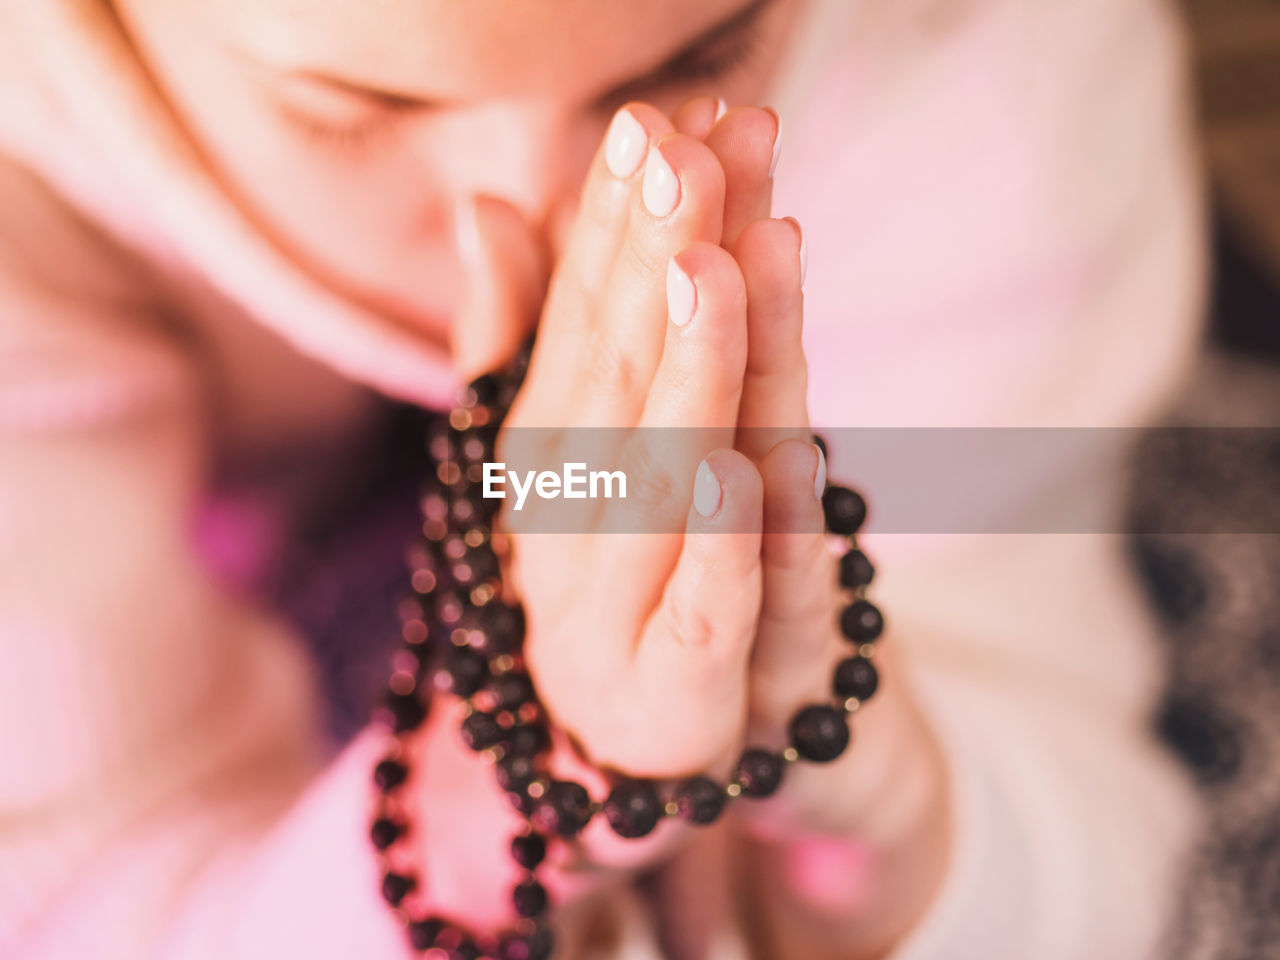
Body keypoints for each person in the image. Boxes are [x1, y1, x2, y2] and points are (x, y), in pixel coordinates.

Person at [0, 0, 1206, 957]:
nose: (538, 207)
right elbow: (69, 898)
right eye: (351, 106)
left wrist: (893, 801)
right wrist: (477, 817)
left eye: (697, 52)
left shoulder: (981, 80)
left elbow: (1093, 845)